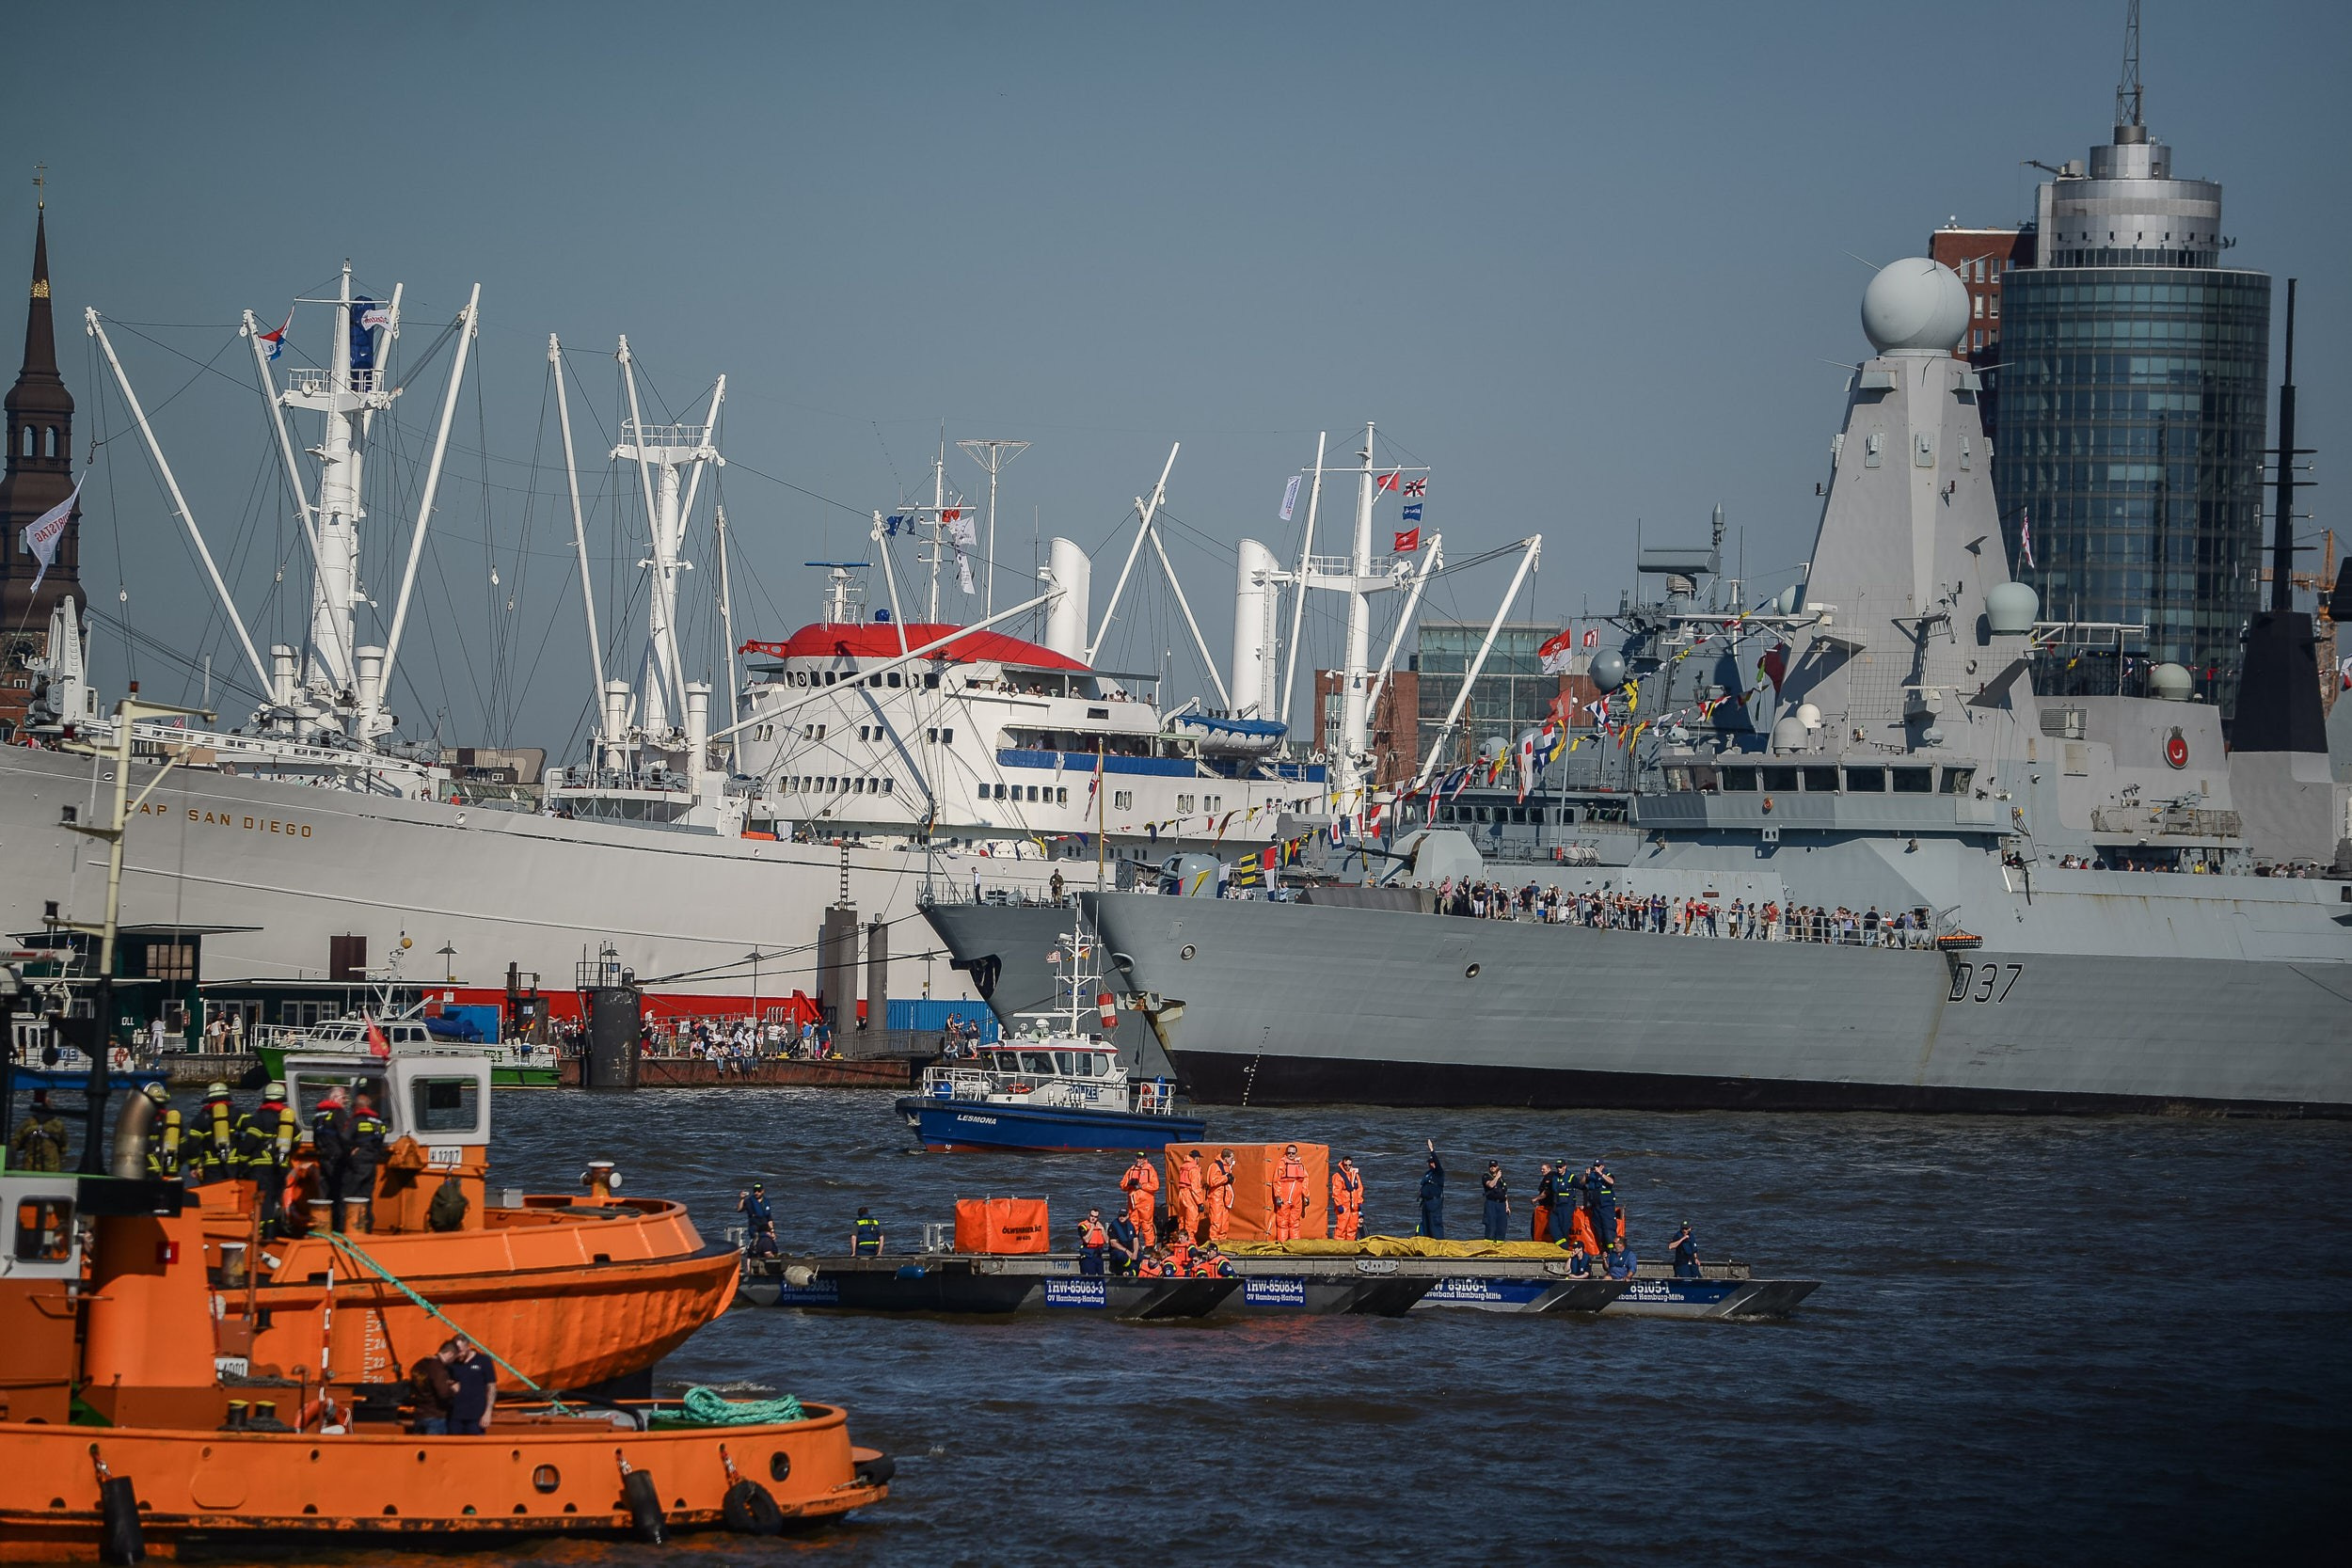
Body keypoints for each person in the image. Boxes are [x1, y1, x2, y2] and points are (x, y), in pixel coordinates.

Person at [236, 1081, 299, 1238]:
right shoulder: (287, 1118)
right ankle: (276, 1231)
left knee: (264, 1202)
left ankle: (265, 1236)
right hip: (281, 1166)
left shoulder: (259, 1117)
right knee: (276, 1198)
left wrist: (242, 1161)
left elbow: (249, 1143)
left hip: (260, 1168)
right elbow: (297, 1139)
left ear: (265, 1098)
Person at [342, 1091, 387, 1232]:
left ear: (356, 1107)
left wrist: (352, 1149)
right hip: (372, 1162)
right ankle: (367, 1228)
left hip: (357, 1162)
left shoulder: (356, 1120)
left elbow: (344, 1137)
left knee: (348, 1194)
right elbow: (380, 1140)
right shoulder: (378, 1122)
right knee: (366, 1196)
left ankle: (346, 1227)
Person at [309, 1087, 353, 1231]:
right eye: (343, 1098)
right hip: (337, 1158)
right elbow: (345, 1136)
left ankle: (322, 1225)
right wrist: (351, 1150)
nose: (345, 1102)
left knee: (324, 1192)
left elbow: (315, 1138)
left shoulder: (318, 1115)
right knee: (340, 1192)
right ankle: (339, 1228)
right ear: (334, 1098)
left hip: (323, 1157)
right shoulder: (338, 1113)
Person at [447, 1337, 498, 1434]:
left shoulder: (483, 1361)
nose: (458, 1354)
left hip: (476, 1417)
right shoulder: (452, 1364)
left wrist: (488, 1412)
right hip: (455, 1416)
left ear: (467, 1347)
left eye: (460, 1351)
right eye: (456, 1351)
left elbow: (492, 1387)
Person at [408, 1340, 460, 1434]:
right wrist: (453, 1389)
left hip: (419, 1414)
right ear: (450, 1354)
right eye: (454, 1358)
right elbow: (443, 1394)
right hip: (435, 1416)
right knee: (435, 1448)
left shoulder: (419, 1365)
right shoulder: (438, 1369)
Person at [10, 1090, 67, 1172]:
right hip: (51, 1168)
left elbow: (15, 1144)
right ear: (51, 1108)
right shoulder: (58, 1124)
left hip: (29, 1167)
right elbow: (64, 1148)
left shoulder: (27, 1123)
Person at [193, 1081, 237, 1185]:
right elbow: (251, 1138)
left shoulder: (201, 1118)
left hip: (211, 1165)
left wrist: (192, 1165)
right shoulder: (239, 1114)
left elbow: (193, 1144)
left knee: (213, 1192)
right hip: (234, 1163)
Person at [140, 1083, 183, 1181]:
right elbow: (183, 1147)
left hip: (149, 1172)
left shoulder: (143, 1120)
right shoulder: (173, 1119)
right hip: (171, 1170)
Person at [1268, 1143, 1308, 1242]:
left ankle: (1295, 1244)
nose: (1291, 1155)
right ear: (1286, 1153)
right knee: (1283, 1222)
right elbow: (1276, 1180)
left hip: (1297, 1198)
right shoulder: (1282, 1163)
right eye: (1289, 1153)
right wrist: (1277, 1196)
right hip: (1284, 1198)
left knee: (1295, 1222)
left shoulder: (1300, 1164)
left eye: (1293, 1153)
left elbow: (1305, 1180)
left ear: (1296, 1154)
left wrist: (1306, 1195)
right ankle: (1283, 1244)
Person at [1120, 1151, 1160, 1243]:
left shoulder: (1150, 1169)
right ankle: (1133, 1242)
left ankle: (1149, 1245)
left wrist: (1141, 1186)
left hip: (1146, 1202)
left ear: (1145, 1159)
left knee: (1146, 1223)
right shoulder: (1131, 1169)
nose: (1138, 1160)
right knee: (1133, 1223)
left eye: (1141, 1158)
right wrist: (1129, 1184)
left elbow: (1155, 1186)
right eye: (1137, 1158)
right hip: (1133, 1202)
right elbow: (1122, 1185)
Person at [1582, 1159, 1617, 1255]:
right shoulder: (1592, 1176)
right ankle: (1604, 1250)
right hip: (1595, 1207)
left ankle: (1612, 1251)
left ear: (1602, 1166)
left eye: (1598, 1166)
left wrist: (1601, 1174)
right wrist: (1586, 1175)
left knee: (1608, 1229)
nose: (1596, 1168)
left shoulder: (1607, 1174)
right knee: (1599, 1229)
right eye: (1595, 1166)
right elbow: (1582, 1183)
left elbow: (1611, 1182)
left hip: (1606, 1207)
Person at [1204, 1148, 1236, 1243]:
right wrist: (1226, 1178)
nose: (1232, 1160)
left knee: (1224, 1222)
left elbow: (1228, 1181)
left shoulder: (1226, 1167)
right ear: (1226, 1158)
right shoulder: (1215, 1166)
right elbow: (1212, 1181)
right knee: (1216, 1221)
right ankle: (1214, 1241)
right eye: (1231, 1158)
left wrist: (1231, 1179)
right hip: (1216, 1198)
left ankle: (1223, 1241)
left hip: (1224, 1198)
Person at [1174, 1149, 1206, 1243]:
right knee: (1191, 1222)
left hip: (1181, 1194)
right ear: (1196, 1158)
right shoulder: (1194, 1169)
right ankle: (1190, 1244)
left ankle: (1180, 1241)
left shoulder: (1183, 1167)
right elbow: (1195, 1188)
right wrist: (1200, 1203)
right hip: (1190, 1196)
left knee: (1182, 1220)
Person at [738, 1182, 777, 1257]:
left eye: (759, 1191)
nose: (756, 1193)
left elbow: (769, 1218)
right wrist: (742, 1199)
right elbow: (739, 1209)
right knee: (762, 1242)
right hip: (754, 1228)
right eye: (755, 1191)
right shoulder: (749, 1201)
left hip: (765, 1228)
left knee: (768, 1242)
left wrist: (772, 1231)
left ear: (763, 1191)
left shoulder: (766, 1201)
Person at [1329, 1156, 1363, 1241]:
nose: (1347, 1167)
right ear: (1342, 1164)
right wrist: (1339, 1205)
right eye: (1346, 1165)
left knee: (1352, 1227)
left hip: (1354, 1206)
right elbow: (1336, 1192)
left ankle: (1350, 1246)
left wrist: (1359, 1202)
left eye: (1349, 1165)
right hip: (1343, 1206)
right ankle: (1339, 1245)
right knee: (1341, 1227)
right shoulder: (1338, 1176)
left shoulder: (1355, 1175)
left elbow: (1359, 1189)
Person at [1417, 1140, 1445, 1239]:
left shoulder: (1439, 1173)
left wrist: (1432, 1150)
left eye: (1432, 1162)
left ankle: (1439, 1244)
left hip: (1434, 1203)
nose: (1431, 1164)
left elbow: (1437, 1162)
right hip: (1426, 1203)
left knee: (1435, 1225)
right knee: (1426, 1225)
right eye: (1429, 1163)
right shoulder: (1428, 1173)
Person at [1481, 1161, 1511, 1243]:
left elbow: (1504, 1193)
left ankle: (1499, 1245)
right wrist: (1497, 1177)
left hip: (1501, 1204)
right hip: (1491, 1203)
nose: (1492, 1167)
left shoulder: (1501, 1179)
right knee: (1491, 1226)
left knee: (1502, 1227)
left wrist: (1507, 1206)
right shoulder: (1486, 1176)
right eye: (1491, 1166)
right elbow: (1490, 1185)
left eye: (1494, 1166)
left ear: (1497, 1167)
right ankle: (1488, 1245)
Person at [1105, 1211, 1140, 1275]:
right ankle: (1134, 1268)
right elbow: (1113, 1243)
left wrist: (1135, 1252)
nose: (1121, 1217)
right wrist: (1127, 1251)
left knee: (1141, 1257)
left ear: (1127, 1216)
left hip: (1131, 1250)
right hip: (1118, 1251)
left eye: (1124, 1216)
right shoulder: (1113, 1226)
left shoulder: (1130, 1225)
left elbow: (1135, 1240)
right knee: (1121, 1256)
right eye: (1120, 1215)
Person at [1533, 1161, 1557, 1243]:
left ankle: (1539, 1240)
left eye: (1544, 1169)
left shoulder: (1549, 1177)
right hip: (1549, 1206)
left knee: (1539, 1226)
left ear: (1549, 1169)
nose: (1542, 1171)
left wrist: (1536, 1199)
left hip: (1548, 1207)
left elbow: (1545, 1193)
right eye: (1541, 1169)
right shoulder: (1553, 1176)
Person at [1078, 1208, 1108, 1275]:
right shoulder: (1083, 1226)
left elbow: (1107, 1241)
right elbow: (1086, 1240)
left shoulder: (1100, 1226)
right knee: (1090, 1277)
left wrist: (1103, 1229)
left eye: (1095, 1217)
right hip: (1088, 1255)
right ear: (1088, 1215)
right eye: (1092, 1216)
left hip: (1098, 1255)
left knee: (1101, 1277)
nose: (1093, 1218)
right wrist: (1092, 1228)